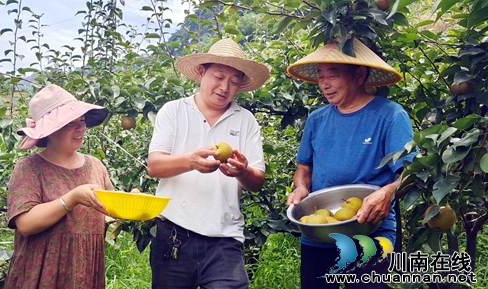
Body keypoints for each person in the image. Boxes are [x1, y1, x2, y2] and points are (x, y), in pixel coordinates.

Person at [285, 38, 414, 288]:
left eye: (332, 74)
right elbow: (304, 168)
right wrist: (301, 188)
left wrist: (387, 193)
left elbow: (410, 174)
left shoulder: (390, 116)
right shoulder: (317, 119)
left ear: (359, 75)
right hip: (320, 229)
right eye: (320, 76)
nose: (324, 83)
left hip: (371, 231)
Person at [147, 38, 270, 289]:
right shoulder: (173, 111)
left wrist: (243, 171)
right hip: (174, 234)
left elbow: (256, 181)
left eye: (234, 81)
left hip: (225, 239)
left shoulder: (246, 121)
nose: (225, 87)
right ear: (202, 72)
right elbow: (155, 166)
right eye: (219, 76)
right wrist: (191, 161)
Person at [5, 84, 113, 288]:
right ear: (51, 130)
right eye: (70, 123)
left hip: (85, 270)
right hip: (43, 272)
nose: (80, 128)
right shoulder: (30, 168)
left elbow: (111, 206)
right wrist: (70, 199)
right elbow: (26, 224)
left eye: (81, 121)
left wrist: (133, 201)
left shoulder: (95, 166)